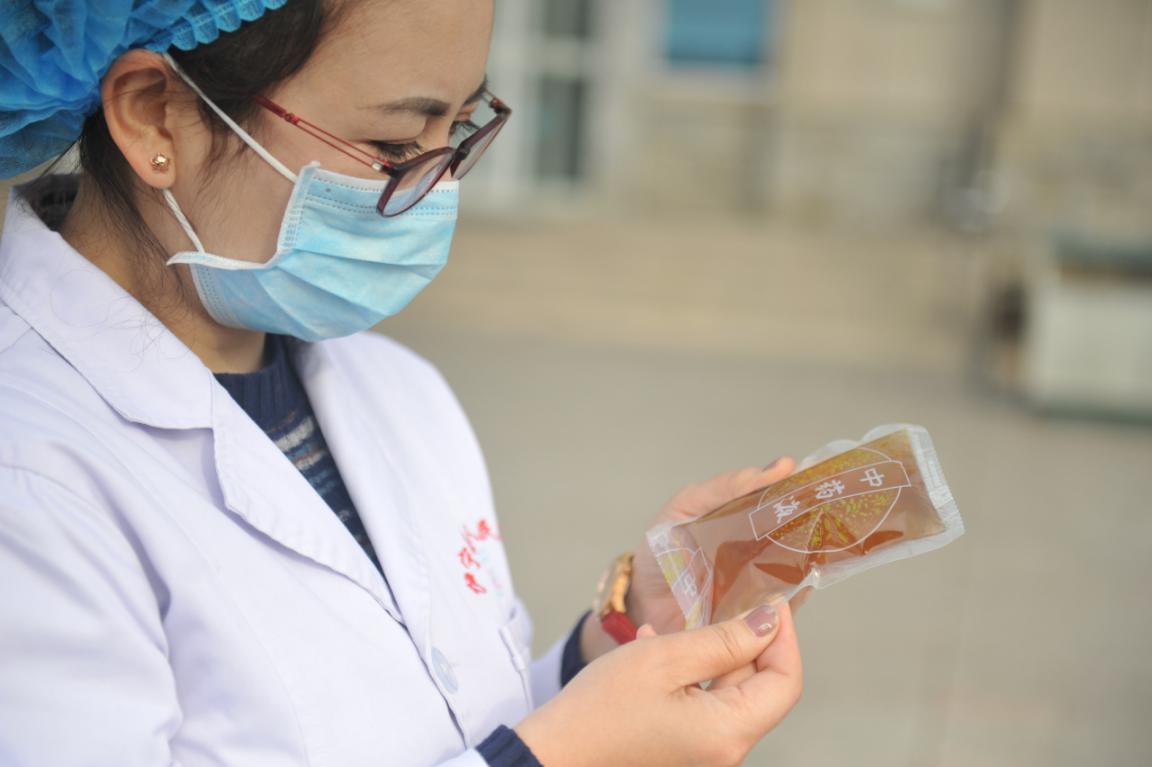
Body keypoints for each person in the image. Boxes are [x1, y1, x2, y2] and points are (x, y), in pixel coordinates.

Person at [0, 1, 803, 765]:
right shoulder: (28, 469)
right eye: (392, 144)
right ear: (153, 114)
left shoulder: (395, 388)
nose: (437, 193)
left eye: (459, 132)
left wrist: (622, 634)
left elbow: (458, 719)